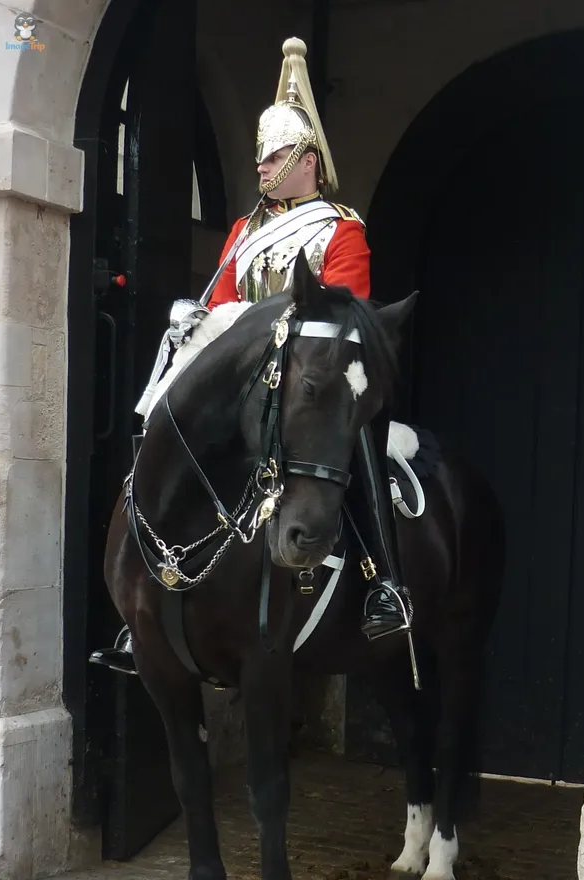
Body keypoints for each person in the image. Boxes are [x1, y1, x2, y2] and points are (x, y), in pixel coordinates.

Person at [90, 37, 412, 674]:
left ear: (306, 160)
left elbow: (347, 310)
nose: (260, 169)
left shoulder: (340, 228)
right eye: (260, 160)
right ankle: (141, 607)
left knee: (359, 440)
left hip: (311, 371)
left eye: (273, 159)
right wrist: (199, 320)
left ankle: (384, 583)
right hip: (246, 371)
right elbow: (229, 296)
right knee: (161, 423)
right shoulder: (244, 231)